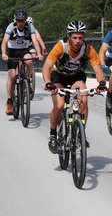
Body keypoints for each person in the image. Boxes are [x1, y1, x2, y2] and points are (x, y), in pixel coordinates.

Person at [43, 20, 107, 153]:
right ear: (69, 36)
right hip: (58, 76)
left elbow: (98, 70)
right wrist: (48, 83)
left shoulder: (88, 49)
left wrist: (101, 83)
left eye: (80, 37)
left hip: (76, 77)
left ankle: (80, 133)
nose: (78, 41)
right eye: (74, 37)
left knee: (83, 99)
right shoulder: (61, 46)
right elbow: (46, 67)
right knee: (59, 105)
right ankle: (53, 134)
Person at [1, 9, 42, 115]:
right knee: (12, 76)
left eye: (22, 20)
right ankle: (10, 101)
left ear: (25, 20)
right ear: (16, 20)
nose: (21, 23)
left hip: (24, 50)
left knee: (29, 61)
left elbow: (35, 40)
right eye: (19, 20)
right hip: (12, 51)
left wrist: (39, 53)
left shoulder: (29, 26)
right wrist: (4, 54)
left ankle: (27, 80)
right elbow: (4, 41)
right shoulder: (11, 26)